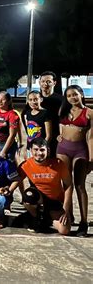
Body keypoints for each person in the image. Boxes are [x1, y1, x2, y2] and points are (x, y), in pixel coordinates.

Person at [56, 85, 93, 236]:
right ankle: (68, 216)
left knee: (79, 185)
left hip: (80, 150)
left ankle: (84, 222)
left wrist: (91, 158)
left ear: (81, 95)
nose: (72, 98)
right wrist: (59, 135)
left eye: (75, 95)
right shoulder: (63, 110)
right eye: (69, 95)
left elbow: (91, 137)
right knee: (66, 184)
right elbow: (60, 125)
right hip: (63, 149)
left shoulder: (89, 112)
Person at [17, 138, 72, 235]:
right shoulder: (25, 165)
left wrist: (66, 209)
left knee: (64, 230)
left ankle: (46, 219)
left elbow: (68, 185)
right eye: (36, 150)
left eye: (42, 150)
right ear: (31, 150)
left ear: (48, 151)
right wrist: (7, 189)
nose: (39, 153)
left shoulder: (58, 164)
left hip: (55, 200)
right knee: (28, 195)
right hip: (39, 199)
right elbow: (15, 180)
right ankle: (35, 217)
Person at [0, 91, 21, 161]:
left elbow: (12, 135)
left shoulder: (12, 114)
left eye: (3, 99)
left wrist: (4, 151)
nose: (0, 101)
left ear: (9, 101)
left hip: (6, 145)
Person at [39, 71, 62, 150]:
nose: (45, 84)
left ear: (54, 83)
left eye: (49, 82)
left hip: (56, 138)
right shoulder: (34, 100)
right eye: (43, 81)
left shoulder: (61, 100)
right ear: (39, 82)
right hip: (38, 138)